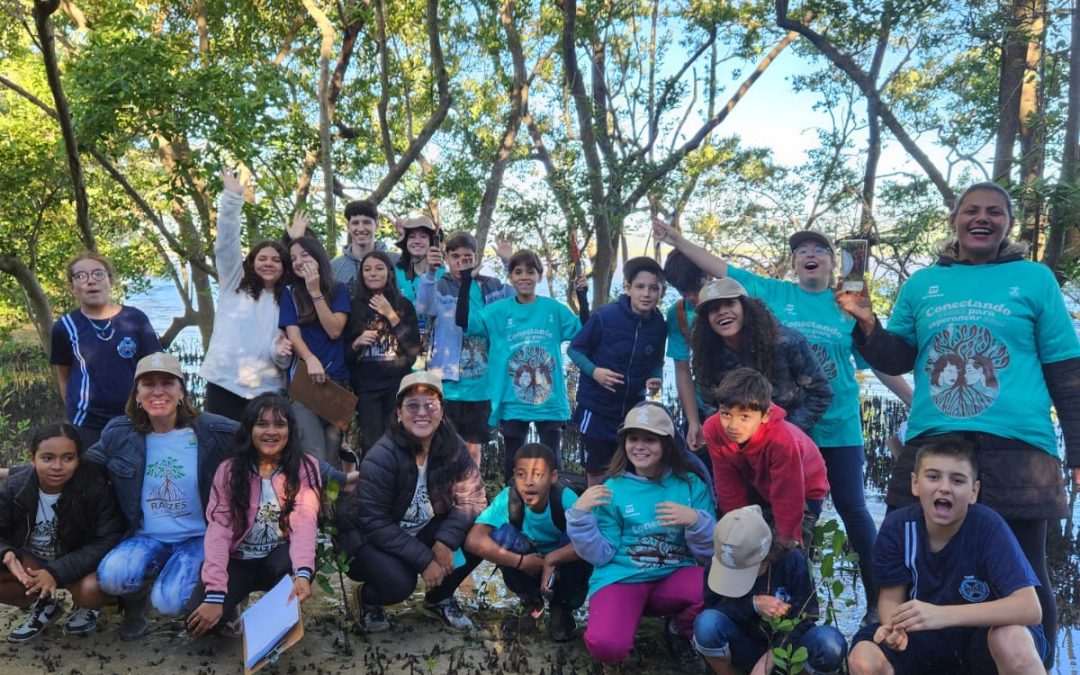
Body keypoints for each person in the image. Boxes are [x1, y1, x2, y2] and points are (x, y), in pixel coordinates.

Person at [836, 182, 1080, 662]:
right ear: (954, 220)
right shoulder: (924, 283)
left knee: (1026, 570)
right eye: (971, 211)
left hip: (1020, 449)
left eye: (995, 211)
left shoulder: (1034, 279)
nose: (982, 218)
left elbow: (1066, 370)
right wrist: (867, 324)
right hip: (936, 443)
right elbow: (899, 354)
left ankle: (1033, 665)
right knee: (916, 562)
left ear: (1009, 223)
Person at [656, 222, 913, 612]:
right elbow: (721, 272)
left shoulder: (847, 304)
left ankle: (882, 600)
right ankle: (788, 595)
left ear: (832, 262)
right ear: (793, 263)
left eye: (819, 250)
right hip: (771, 439)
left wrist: (914, 399)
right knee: (783, 514)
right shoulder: (773, 294)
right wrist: (676, 240)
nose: (810, 255)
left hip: (835, 426)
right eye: (802, 251)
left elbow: (876, 362)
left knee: (854, 511)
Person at [847, 437, 1048, 674]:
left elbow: (1030, 609)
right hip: (923, 638)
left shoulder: (988, 526)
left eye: (958, 480)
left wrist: (942, 615)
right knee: (863, 657)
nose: (944, 487)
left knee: (1011, 637)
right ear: (915, 483)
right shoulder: (897, 526)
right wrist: (894, 626)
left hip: (981, 640)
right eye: (933, 477)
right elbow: (891, 598)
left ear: (974, 492)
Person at [88, 353, 239, 640]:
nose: (158, 391)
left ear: (181, 391)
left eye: (167, 383)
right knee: (112, 576)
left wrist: (335, 476)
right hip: (147, 536)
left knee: (169, 603)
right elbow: (79, 465)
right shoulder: (120, 433)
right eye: (148, 384)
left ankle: (228, 604)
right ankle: (135, 606)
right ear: (137, 393)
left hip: (198, 537)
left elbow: (267, 444)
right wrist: (17, 474)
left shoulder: (213, 430)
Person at [567, 405, 715, 674]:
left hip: (674, 575)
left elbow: (709, 555)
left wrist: (696, 520)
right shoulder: (611, 487)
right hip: (623, 577)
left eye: (650, 439)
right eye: (633, 438)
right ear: (624, 443)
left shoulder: (692, 484)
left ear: (667, 444)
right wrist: (579, 516)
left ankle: (679, 630)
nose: (640, 446)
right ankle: (624, 617)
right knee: (606, 647)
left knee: (717, 585)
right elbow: (600, 554)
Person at [336, 372, 486, 633]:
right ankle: (370, 600)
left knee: (479, 535)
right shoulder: (382, 456)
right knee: (399, 584)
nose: (422, 413)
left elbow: (473, 498)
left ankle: (439, 598)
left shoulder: (454, 446)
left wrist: (445, 541)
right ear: (398, 412)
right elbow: (374, 522)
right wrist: (425, 560)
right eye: (412, 405)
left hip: (423, 528)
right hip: (368, 538)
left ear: (441, 410)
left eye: (430, 404)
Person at [187, 395, 321, 637]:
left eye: (279, 425)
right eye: (262, 424)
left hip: (278, 559)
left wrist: (303, 573)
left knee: (291, 570)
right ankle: (233, 608)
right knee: (199, 620)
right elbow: (219, 531)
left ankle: (280, 610)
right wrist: (215, 593)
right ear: (249, 429)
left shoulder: (305, 467)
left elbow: (305, 522)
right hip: (239, 560)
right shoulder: (228, 470)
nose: (271, 432)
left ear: (290, 430)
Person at [456, 250, 582, 479]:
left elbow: (584, 331)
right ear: (510, 278)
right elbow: (463, 321)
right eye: (518, 272)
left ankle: (555, 506)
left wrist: (581, 296)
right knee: (513, 459)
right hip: (511, 398)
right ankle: (511, 505)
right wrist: (466, 281)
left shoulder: (553, 309)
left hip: (549, 399)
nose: (524, 277)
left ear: (539, 276)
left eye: (530, 272)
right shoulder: (498, 311)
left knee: (552, 457)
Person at [0, 424, 124, 642]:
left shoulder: (95, 489)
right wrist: (6, 552)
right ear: (32, 459)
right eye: (47, 458)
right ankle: (47, 604)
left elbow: (107, 540)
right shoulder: (14, 487)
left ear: (78, 460)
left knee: (91, 590)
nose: (57, 466)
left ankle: (87, 607)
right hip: (34, 563)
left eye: (68, 458)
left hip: (78, 565)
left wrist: (56, 572)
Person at [693, 505, 846, 675]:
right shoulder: (718, 565)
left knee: (829, 643)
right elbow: (712, 610)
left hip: (787, 647)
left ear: (766, 556)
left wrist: (770, 658)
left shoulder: (791, 561)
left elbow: (807, 615)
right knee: (706, 624)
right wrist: (753, 604)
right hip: (743, 643)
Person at [464, 443, 589, 641]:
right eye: (521, 475)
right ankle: (532, 602)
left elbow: (590, 542)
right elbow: (474, 540)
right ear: (514, 475)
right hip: (529, 561)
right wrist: (521, 562)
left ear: (553, 477)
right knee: (498, 535)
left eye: (538, 475)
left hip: (563, 561)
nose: (528, 482)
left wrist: (552, 560)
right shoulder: (509, 497)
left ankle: (562, 608)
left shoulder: (565, 499)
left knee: (579, 539)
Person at [199, 169, 293, 422]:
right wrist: (232, 198)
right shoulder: (234, 283)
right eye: (262, 258)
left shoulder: (288, 300)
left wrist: (281, 354)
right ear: (251, 262)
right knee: (220, 450)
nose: (268, 263)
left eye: (276, 259)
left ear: (284, 266)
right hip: (224, 382)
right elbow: (226, 244)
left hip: (267, 389)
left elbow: (282, 354)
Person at [416, 231, 514, 466]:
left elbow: (518, 300)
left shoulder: (492, 286)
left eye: (467, 257)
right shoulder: (440, 285)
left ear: (476, 257)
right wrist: (430, 271)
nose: (462, 262)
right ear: (447, 258)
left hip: (482, 385)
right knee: (442, 447)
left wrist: (507, 261)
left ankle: (472, 498)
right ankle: (442, 496)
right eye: (456, 257)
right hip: (447, 384)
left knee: (472, 451)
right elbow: (423, 306)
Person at [703, 368, 829, 549]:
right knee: (744, 545)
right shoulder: (713, 430)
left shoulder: (782, 441)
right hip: (757, 482)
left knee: (790, 553)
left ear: (766, 415)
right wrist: (739, 527)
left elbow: (788, 495)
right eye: (726, 414)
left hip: (803, 489)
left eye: (744, 416)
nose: (733, 425)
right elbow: (727, 485)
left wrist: (785, 540)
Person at [689, 277, 832, 434]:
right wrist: (730, 432)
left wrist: (788, 431)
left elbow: (821, 393)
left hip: (788, 440)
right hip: (737, 444)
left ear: (746, 308)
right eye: (714, 309)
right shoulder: (706, 353)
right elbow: (709, 403)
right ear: (706, 320)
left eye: (730, 304)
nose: (722, 312)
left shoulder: (787, 342)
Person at [570, 256, 667, 486]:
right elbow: (575, 349)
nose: (646, 294)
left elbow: (657, 362)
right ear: (628, 288)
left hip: (632, 413)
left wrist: (656, 380)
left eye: (653, 288)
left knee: (629, 470)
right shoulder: (605, 317)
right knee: (596, 471)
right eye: (640, 287)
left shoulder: (659, 325)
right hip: (596, 410)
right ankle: (595, 518)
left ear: (661, 292)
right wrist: (595, 372)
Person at [50, 252, 162, 448]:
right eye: (81, 276)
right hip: (86, 424)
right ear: (72, 287)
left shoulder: (135, 319)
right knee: (91, 476)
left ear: (110, 280)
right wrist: (74, 410)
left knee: (130, 475)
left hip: (134, 418)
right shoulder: (64, 326)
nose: (91, 281)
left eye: (98, 274)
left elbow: (155, 369)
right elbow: (64, 378)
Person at [279, 236, 351, 465]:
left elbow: (334, 330)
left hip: (336, 384)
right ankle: (310, 502)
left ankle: (330, 502)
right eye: (293, 258)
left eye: (305, 255)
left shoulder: (338, 290)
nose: (299, 262)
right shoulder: (289, 293)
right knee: (312, 456)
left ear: (318, 257)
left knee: (331, 457)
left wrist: (315, 292)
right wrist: (310, 358)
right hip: (305, 383)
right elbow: (294, 334)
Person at [344, 251, 421, 453]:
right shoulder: (353, 306)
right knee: (372, 444)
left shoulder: (404, 305)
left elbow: (413, 349)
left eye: (379, 268)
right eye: (367, 269)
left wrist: (391, 315)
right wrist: (356, 343)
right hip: (366, 387)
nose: (373, 274)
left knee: (397, 442)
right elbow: (344, 353)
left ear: (389, 273)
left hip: (397, 385)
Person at [662, 250, 710, 450]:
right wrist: (693, 421)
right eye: (683, 291)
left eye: (696, 288)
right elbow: (682, 369)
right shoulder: (679, 313)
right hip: (702, 407)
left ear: (708, 275)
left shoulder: (733, 305)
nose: (692, 297)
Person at [331, 199, 399, 292]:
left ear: (377, 225)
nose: (361, 228)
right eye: (355, 223)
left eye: (366, 222)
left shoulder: (396, 261)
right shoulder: (334, 268)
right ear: (348, 227)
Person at [394, 215, 444, 302]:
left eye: (423, 236)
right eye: (411, 237)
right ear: (406, 242)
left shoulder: (442, 275)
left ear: (431, 242)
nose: (417, 241)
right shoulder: (395, 274)